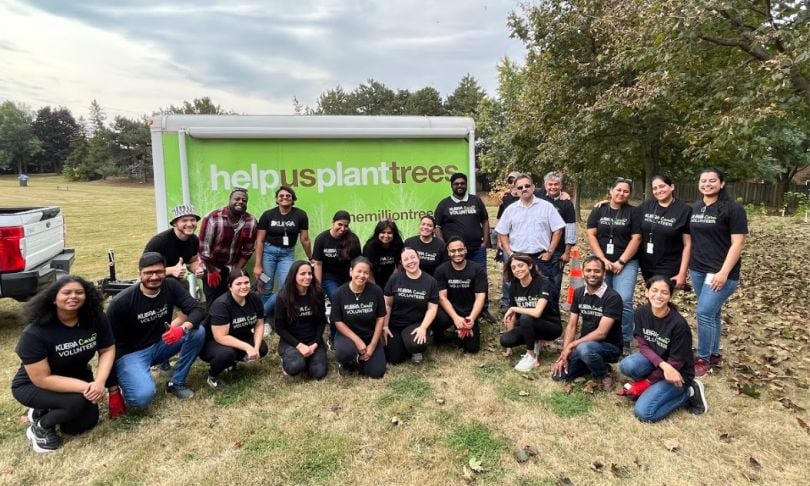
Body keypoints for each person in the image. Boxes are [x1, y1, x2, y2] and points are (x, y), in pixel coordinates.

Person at [11, 276, 115, 453]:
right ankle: (40, 426)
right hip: (33, 384)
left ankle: (43, 410)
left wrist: (99, 382)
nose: (73, 296)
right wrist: (87, 388)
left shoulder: (95, 317)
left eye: (79, 292)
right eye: (66, 292)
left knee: (81, 426)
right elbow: (42, 379)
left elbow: (107, 349)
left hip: (78, 375)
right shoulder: (36, 332)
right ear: (54, 298)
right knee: (75, 403)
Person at [106, 252, 206, 412]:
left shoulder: (171, 286)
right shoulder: (120, 303)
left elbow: (198, 310)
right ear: (140, 274)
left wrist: (182, 329)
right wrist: (113, 390)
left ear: (165, 272)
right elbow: (107, 347)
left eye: (159, 272)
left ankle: (176, 383)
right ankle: (131, 377)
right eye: (148, 273)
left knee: (197, 331)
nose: (154, 277)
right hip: (131, 354)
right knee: (141, 400)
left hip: (161, 343)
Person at [617, 276, 708, 422]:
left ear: (670, 296)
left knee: (644, 413)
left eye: (664, 292)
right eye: (654, 290)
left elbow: (676, 364)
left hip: (677, 373)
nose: (658, 296)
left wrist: (646, 383)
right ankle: (653, 386)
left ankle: (689, 391)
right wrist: (661, 366)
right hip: (660, 364)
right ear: (646, 292)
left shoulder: (678, 324)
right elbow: (643, 345)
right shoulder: (640, 313)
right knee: (627, 365)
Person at [689, 168, 748, 377]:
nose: (707, 184)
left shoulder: (734, 209)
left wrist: (723, 272)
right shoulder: (695, 208)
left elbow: (737, 243)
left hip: (721, 272)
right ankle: (714, 353)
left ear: (722, 183)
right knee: (712, 313)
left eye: (712, 180)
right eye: (703, 180)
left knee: (704, 313)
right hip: (697, 270)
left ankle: (703, 359)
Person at [551, 256, 623, 390]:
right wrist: (565, 352)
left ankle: (604, 374)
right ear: (583, 272)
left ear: (604, 273)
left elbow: (602, 333)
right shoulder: (578, 293)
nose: (592, 274)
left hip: (609, 346)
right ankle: (595, 364)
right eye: (588, 270)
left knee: (584, 349)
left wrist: (573, 345)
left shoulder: (613, 297)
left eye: (596, 271)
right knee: (559, 376)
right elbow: (572, 325)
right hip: (585, 344)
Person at [586, 177, 642, 350]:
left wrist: (621, 261)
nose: (621, 193)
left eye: (626, 191)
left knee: (623, 299)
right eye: (618, 189)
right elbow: (591, 235)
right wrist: (602, 260)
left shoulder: (634, 212)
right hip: (601, 262)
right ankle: (601, 334)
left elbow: (637, 238)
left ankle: (625, 339)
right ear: (611, 190)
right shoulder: (599, 210)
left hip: (626, 263)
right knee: (600, 298)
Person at [495, 174, 566, 309]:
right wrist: (510, 254)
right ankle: (517, 318)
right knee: (519, 291)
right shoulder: (511, 209)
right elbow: (502, 232)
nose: (524, 189)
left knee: (546, 290)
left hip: (541, 257)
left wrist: (550, 252)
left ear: (533, 187)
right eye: (520, 187)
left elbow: (558, 230)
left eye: (527, 186)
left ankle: (548, 319)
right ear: (516, 190)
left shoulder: (547, 207)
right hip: (519, 257)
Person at [200, 269, 268, 389]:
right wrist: (247, 347)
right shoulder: (221, 304)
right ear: (230, 286)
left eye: (246, 282)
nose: (244, 287)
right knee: (227, 354)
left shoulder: (254, 298)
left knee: (262, 348)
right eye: (238, 284)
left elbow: (259, 324)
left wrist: (255, 348)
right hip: (212, 342)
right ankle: (212, 377)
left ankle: (231, 363)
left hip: (238, 335)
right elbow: (220, 337)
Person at [253, 185, 312, 319]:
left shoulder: (300, 215)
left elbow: (305, 239)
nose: (284, 198)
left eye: (288, 196)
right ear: (277, 199)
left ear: (292, 199)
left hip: (287, 255)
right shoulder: (268, 215)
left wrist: (311, 258)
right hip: (268, 254)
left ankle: (260, 317)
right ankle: (266, 322)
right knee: (265, 286)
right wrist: (257, 265)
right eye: (281, 196)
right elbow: (260, 241)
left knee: (286, 287)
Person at [499, 253, 562, 372]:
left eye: (521, 265)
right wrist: (509, 347)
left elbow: (537, 312)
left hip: (550, 326)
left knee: (525, 317)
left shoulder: (543, 282)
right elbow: (512, 317)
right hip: (528, 324)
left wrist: (513, 309)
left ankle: (531, 356)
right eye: (514, 268)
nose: (517, 270)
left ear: (530, 266)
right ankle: (535, 341)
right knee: (506, 340)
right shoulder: (514, 286)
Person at [198, 187, 258, 304]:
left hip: (232, 267)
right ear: (229, 200)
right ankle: (210, 322)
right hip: (211, 266)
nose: (240, 201)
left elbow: (247, 250)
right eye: (237, 199)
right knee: (214, 302)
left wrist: (236, 270)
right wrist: (211, 272)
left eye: (244, 200)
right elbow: (204, 249)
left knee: (233, 301)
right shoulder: (213, 217)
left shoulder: (250, 221)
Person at [332, 257, 387, 378]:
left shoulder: (376, 291)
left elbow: (380, 318)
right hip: (348, 336)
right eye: (358, 271)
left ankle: (361, 359)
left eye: (366, 272)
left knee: (377, 373)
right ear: (351, 272)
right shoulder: (339, 293)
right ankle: (346, 362)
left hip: (369, 335)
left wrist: (372, 345)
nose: (362, 275)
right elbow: (338, 321)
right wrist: (358, 341)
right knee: (345, 352)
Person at [383, 248, 439, 364]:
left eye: (413, 257)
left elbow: (432, 308)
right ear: (401, 263)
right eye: (406, 259)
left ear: (418, 257)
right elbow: (387, 304)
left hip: (415, 324)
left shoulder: (430, 281)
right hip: (395, 324)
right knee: (395, 358)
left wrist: (423, 327)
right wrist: (385, 326)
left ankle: (414, 348)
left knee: (416, 344)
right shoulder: (395, 279)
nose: (410, 261)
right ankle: (402, 344)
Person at [274, 260, 328, 380]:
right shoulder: (283, 297)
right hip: (291, 342)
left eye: (310, 273)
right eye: (302, 274)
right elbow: (280, 328)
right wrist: (299, 346)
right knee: (295, 366)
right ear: (294, 276)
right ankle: (290, 358)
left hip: (313, 340)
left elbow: (321, 321)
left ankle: (311, 357)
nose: (307, 277)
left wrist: (316, 343)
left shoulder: (317, 293)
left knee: (319, 373)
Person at [432, 237, 487, 354]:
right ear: (448, 252)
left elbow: (480, 297)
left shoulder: (478, 270)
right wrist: (455, 317)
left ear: (465, 250)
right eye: (453, 251)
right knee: (438, 318)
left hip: (469, 312)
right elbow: (442, 297)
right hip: (449, 311)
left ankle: (460, 332)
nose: (457, 253)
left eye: (460, 250)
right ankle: (438, 335)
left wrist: (471, 318)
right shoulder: (441, 270)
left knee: (472, 349)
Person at [638, 175, 692, 288]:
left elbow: (688, 244)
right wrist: (608, 204)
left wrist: (682, 273)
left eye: (662, 186)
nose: (658, 191)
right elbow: (626, 211)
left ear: (672, 187)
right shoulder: (647, 206)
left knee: (660, 296)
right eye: (655, 188)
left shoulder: (684, 210)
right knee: (653, 297)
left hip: (670, 264)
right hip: (647, 263)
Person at [433, 172, 490, 275]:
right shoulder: (444, 204)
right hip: (455, 252)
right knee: (458, 279)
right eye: (456, 184)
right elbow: (437, 226)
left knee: (479, 277)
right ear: (452, 186)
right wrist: (444, 246)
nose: (459, 185)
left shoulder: (476, 200)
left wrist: (485, 242)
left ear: (466, 185)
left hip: (477, 250)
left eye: (462, 183)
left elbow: (485, 221)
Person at [144, 203, 205, 280]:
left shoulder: (194, 240)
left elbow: (192, 262)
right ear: (175, 223)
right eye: (184, 220)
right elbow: (144, 270)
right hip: (153, 284)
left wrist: (197, 269)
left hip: (175, 282)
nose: (189, 224)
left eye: (193, 220)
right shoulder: (159, 241)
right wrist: (170, 271)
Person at [541, 172, 577, 297]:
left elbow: (570, 228)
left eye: (556, 184)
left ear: (561, 186)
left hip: (559, 250)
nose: (553, 187)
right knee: (539, 281)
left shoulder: (566, 203)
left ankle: (553, 311)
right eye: (550, 184)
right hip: (540, 248)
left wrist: (567, 252)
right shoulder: (539, 199)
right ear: (545, 185)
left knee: (555, 281)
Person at [312, 210, 362, 299]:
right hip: (329, 277)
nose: (342, 229)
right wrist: (318, 287)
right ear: (333, 222)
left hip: (348, 277)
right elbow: (318, 264)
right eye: (340, 224)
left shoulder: (353, 239)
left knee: (351, 299)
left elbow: (358, 262)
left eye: (346, 226)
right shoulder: (321, 239)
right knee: (336, 297)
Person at [362, 219, 404, 288]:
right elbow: (368, 270)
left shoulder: (398, 245)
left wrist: (391, 285)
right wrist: (375, 289)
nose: (386, 236)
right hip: (373, 279)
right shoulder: (369, 247)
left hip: (392, 278)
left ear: (394, 234)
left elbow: (398, 266)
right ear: (377, 233)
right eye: (383, 232)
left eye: (389, 233)